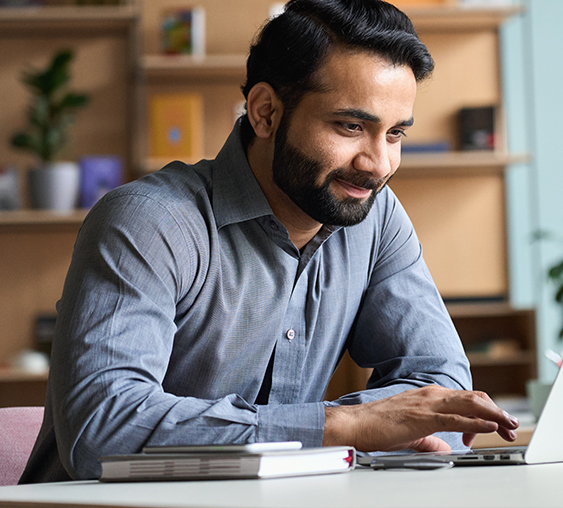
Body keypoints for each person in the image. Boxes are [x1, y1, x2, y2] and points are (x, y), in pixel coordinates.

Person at [21, 0, 518, 482]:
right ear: (265, 112)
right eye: (351, 126)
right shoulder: (149, 222)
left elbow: (443, 388)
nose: (378, 165)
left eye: (395, 135)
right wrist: (343, 427)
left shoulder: (376, 218)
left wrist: (376, 428)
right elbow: (102, 429)